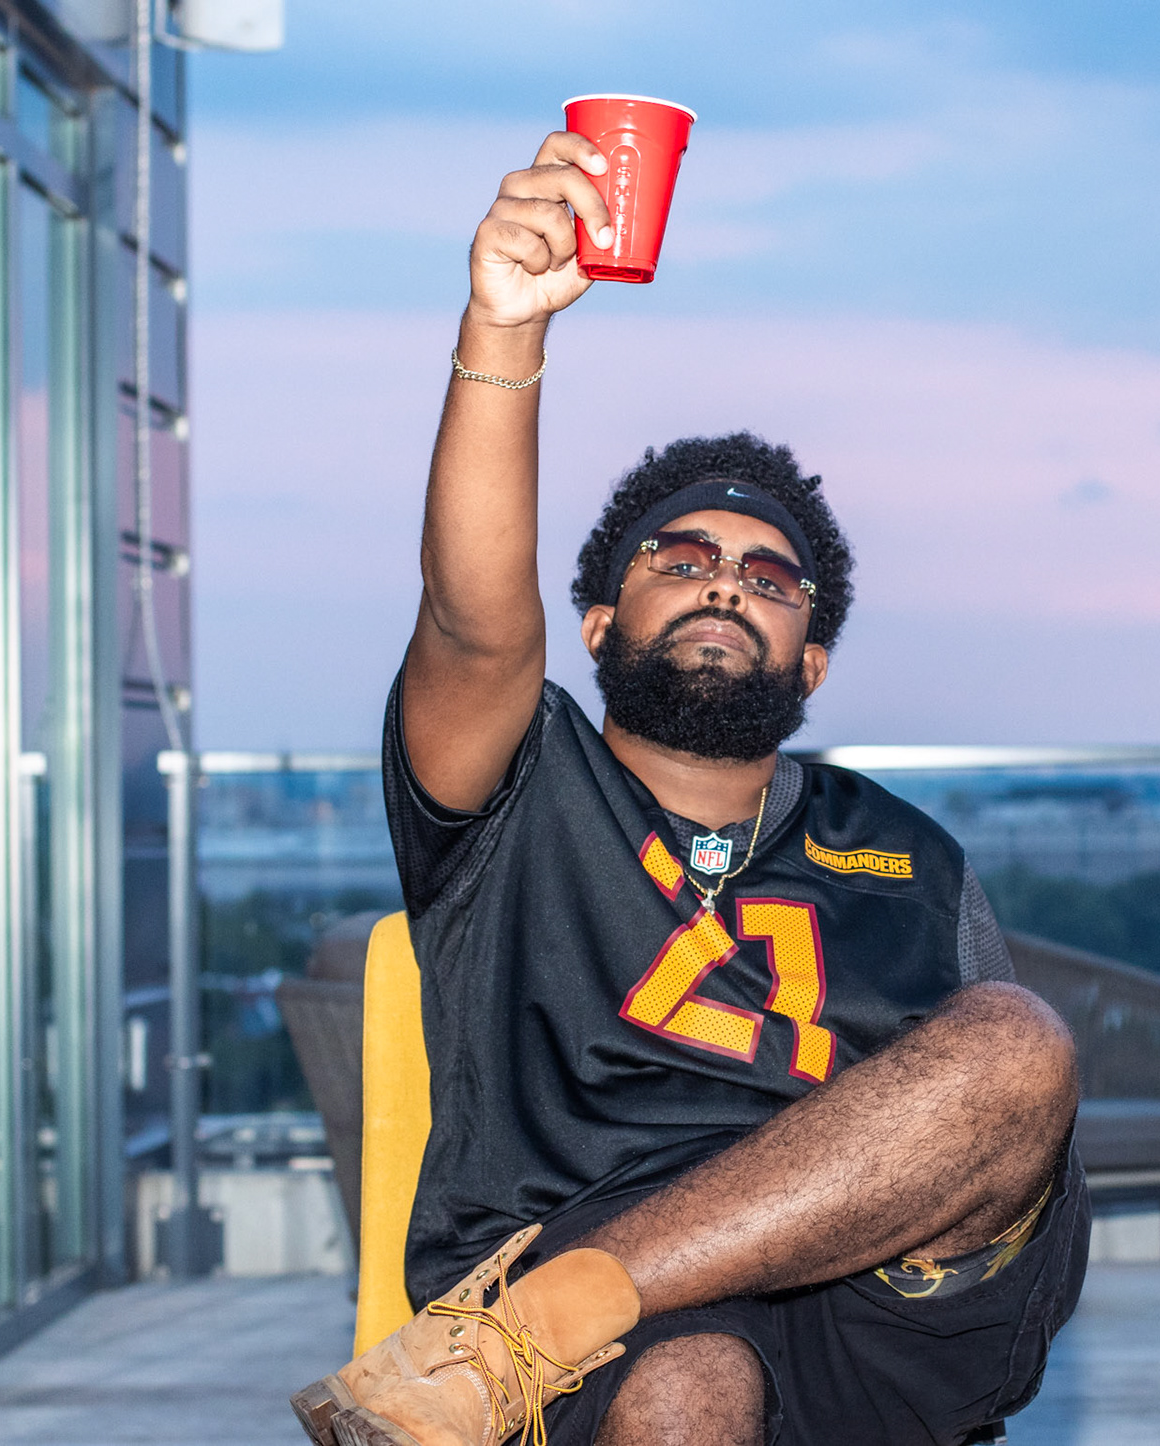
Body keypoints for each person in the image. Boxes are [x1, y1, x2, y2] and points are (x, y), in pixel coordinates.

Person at [292, 129, 1087, 1446]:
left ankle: (521, 1339)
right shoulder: (515, 796)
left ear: (812, 659)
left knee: (1018, 1037)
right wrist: (505, 331)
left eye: (772, 579)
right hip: (584, 1277)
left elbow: (991, 1125)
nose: (727, 580)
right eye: (681, 558)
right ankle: (548, 1323)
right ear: (598, 623)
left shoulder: (906, 851)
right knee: (686, 1387)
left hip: (873, 1294)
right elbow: (473, 623)